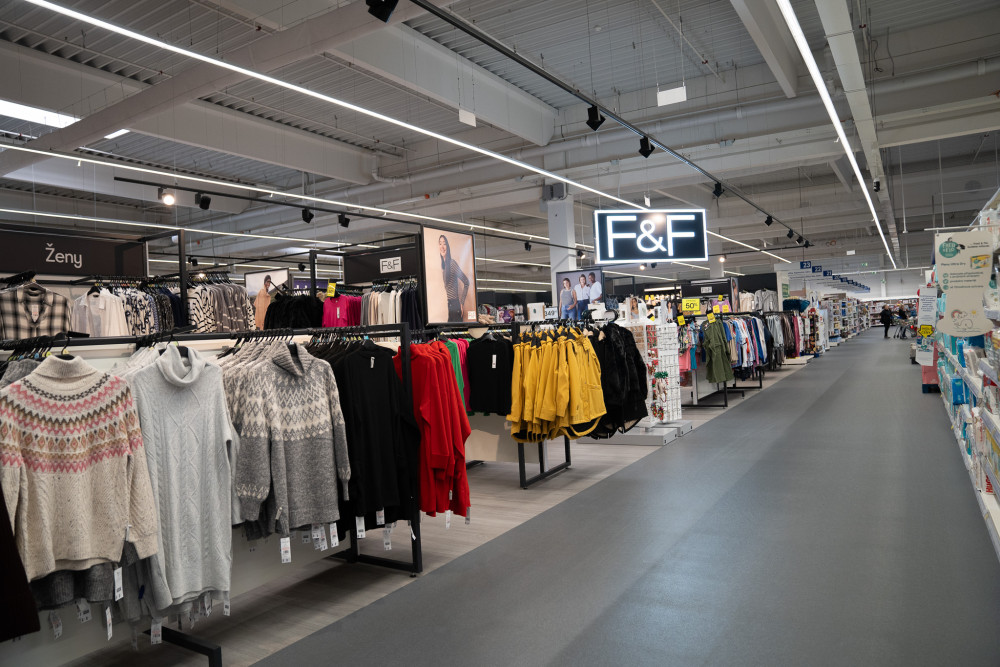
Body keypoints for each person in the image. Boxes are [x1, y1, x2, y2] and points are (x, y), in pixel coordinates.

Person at [438, 235, 470, 322]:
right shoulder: (443, 265)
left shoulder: (452, 263)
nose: (442, 246)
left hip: (455, 305)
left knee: (455, 330)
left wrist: (461, 303)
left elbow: (466, 282)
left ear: (447, 247)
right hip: (449, 305)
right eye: (440, 243)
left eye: (444, 244)